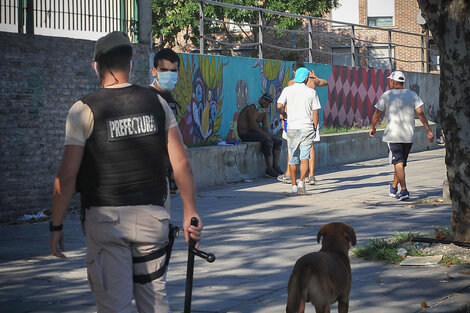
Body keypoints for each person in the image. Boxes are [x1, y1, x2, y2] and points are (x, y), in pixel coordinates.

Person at [48, 31, 202, 313]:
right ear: (131, 65)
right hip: (152, 219)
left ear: (97, 65)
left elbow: (66, 177)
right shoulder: (156, 103)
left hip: (106, 222)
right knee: (155, 303)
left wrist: (56, 225)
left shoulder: (83, 110)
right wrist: (191, 211)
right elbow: (182, 163)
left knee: (114, 306)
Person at [369, 70, 434, 201]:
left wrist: (372, 127)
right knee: (400, 163)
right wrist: (428, 130)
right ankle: (393, 187)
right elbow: (420, 113)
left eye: (390, 80)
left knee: (398, 162)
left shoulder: (387, 95)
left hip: (393, 135)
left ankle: (404, 190)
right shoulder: (413, 95)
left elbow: (377, 113)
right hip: (408, 136)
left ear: (393, 81)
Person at [278, 61, 328, 185]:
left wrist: (283, 116)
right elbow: (326, 82)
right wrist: (315, 77)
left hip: (294, 121)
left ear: (295, 72)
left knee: (292, 149)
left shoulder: (290, 84)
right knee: (309, 148)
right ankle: (310, 176)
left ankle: (290, 175)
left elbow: (285, 104)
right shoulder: (313, 82)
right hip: (309, 121)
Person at [150, 48, 180, 194]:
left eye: (173, 71)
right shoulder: (148, 97)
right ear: (154, 71)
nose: (169, 75)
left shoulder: (170, 99)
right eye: (164, 70)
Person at [237, 93, 283, 178]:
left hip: (253, 132)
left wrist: (269, 135)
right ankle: (269, 169)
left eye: (268, 102)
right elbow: (252, 126)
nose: (266, 103)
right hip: (245, 133)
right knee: (268, 141)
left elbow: (265, 129)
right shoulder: (252, 107)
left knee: (277, 141)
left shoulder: (263, 112)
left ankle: (275, 167)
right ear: (261, 99)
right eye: (265, 100)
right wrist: (266, 135)